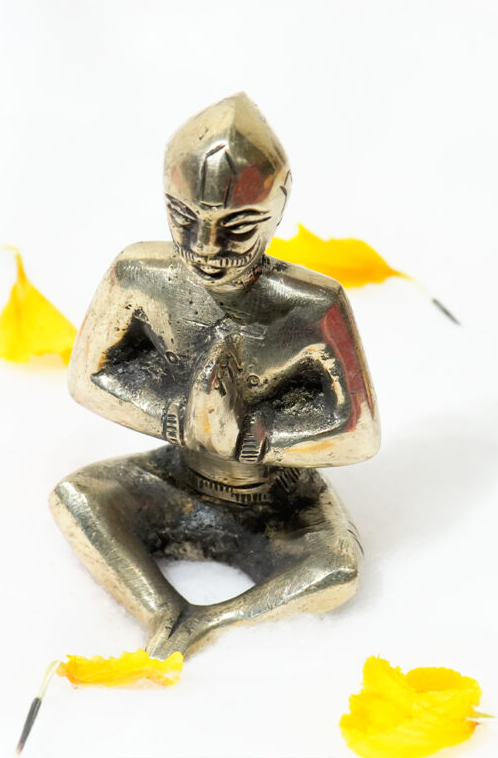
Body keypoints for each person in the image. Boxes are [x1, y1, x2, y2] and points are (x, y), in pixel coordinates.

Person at [51, 93, 380, 658]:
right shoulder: (139, 275)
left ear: (277, 209)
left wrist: (258, 437)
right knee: (78, 498)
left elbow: (358, 431)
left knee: (338, 571)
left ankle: (211, 621)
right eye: (185, 220)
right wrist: (174, 415)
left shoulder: (312, 306)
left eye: (238, 227)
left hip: (281, 500)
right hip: (174, 476)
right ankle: (161, 610)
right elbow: (90, 378)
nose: (207, 249)